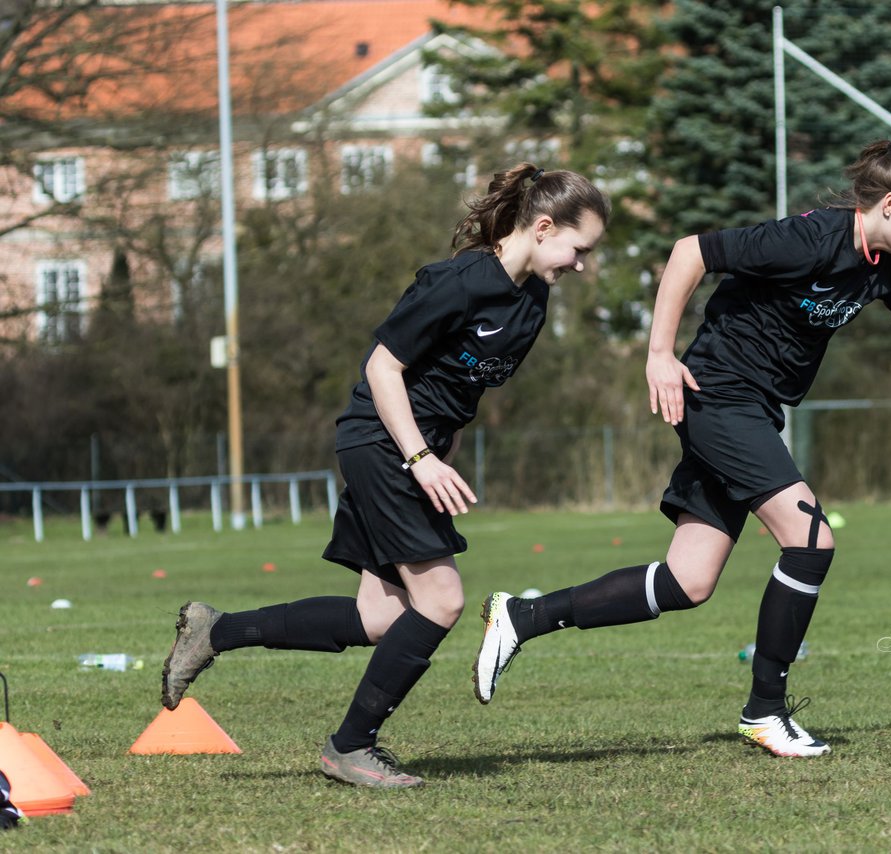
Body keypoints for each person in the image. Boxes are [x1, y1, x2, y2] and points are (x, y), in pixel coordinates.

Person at [472, 140, 891, 757]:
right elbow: (690, 251)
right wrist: (659, 353)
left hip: (751, 410)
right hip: (717, 394)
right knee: (810, 539)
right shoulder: (810, 240)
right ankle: (765, 711)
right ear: (887, 203)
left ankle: (523, 618)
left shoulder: (887, 265)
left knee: (687, 582)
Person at [161, 163, 610, 788]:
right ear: (541, 227)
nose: (582, 264)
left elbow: (460, 391)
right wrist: (420, 460)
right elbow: (383, 368)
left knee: (381, 618)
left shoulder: (531, 301)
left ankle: (216, 630)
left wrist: (440, 454)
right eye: (579, 248)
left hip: (418, 451)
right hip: (382, 441)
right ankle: (350, 746)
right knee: (443, 600)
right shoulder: (456, 282)